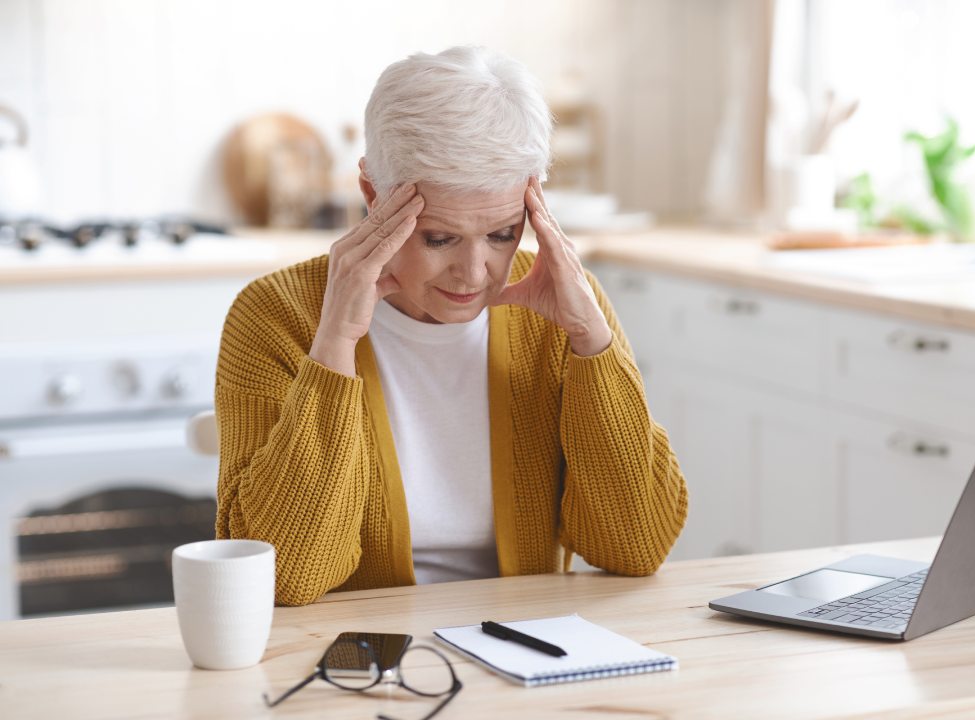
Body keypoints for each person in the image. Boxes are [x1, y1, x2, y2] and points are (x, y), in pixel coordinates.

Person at [215, 46, 688, 606]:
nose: (473, 274)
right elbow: (286, 576)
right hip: (357, 661)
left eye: (503, 234)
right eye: (438, 238)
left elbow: (635, 545)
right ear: (373, 195)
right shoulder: (276, 316)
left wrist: (592, 342)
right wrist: (334, 346)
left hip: (524, 649)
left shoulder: (563, 309)